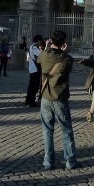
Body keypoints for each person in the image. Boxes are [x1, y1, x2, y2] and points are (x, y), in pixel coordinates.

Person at [37, 30, 77, 171]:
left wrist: (47, 48)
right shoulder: (66, 59)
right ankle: (70, 161)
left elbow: (39, 59)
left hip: (45, 98)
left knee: (47, 131)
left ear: (51, 40)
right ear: (64, 43)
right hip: (60, 98)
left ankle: (48, 162)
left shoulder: (44, 55)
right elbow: (68, 64)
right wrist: (65, 52)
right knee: (66, 130)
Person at [25, 35, 44, 107]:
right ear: (38, 40)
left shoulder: (31, 47)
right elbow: (42, 55)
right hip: (35, 69)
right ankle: (31, 101)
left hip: (32, 69)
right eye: (40, 41)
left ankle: (28, 100)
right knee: (34, 87)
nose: (41, 42)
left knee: (31, 86)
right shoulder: (34, 48)